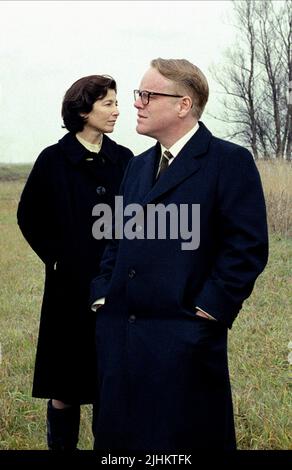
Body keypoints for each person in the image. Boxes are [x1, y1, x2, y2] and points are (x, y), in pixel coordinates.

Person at [90, 58, 269, 451]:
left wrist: (208, 310)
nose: (137, 103)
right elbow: (115, 240)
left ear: (183, 105)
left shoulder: (229, 162)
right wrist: (103, 293)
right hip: (122, 336)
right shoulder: (136, 168)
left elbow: (248, 247)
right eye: (139, 94)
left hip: (184, 339)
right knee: (120, 445)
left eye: (147, 95)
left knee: (185, 441)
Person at [17, 74, 133, 450]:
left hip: (115, 287)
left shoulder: (125, 160)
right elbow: (28, 215)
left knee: (108, 383)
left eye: (116, 103)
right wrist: (57, 258)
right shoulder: (54, 159)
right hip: (68, 290)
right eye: (109, 103)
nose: (117, 110)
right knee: (65, 385)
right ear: (84, 110)